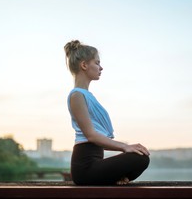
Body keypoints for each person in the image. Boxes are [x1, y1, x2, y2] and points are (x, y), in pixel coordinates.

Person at [64, 40, 150, 185]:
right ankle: (115, 176)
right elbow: (91, 136)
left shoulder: (86, 95)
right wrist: (125, 147)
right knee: (139, 157)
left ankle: (117, 177)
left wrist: (126, 151)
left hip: (95, 162)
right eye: (97, 63)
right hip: (85, 168)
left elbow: (98, 139)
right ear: (84, 65)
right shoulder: (76, 96)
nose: (101, 67)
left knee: (141, 155)